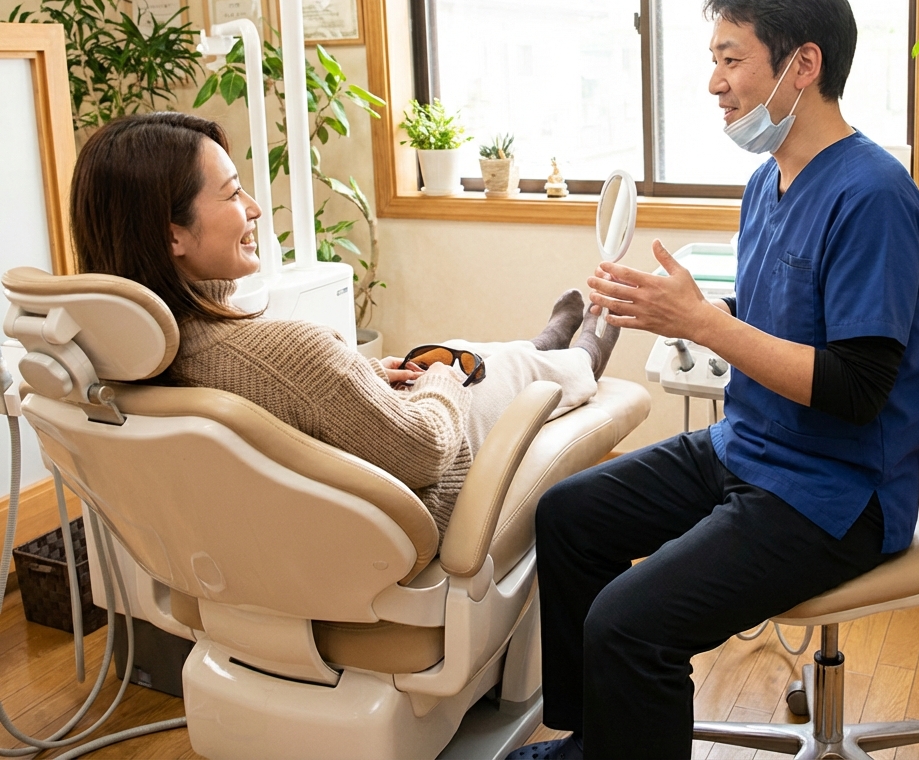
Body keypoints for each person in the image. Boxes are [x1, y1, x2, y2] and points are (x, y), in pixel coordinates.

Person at [514, 0, 919, 760]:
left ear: (802, 66)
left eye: (732, 58)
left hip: (837, 491)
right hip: (750, 447)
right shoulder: (765, 184)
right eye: (714, 59)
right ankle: (593, 743)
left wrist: (703, 323)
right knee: (567, 515)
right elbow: (781, 319)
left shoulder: (873, 197)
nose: (714, 82)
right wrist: (676, 309)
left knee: (630, 624)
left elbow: (856, 390)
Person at [68, 112, 619, 538]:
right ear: (172, 236)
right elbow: (424, 451)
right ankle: (584, 353)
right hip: (411, 515)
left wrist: (358, 378)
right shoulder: (285, 353)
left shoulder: (114, 363)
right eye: (234, 192)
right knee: (484, 367)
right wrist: (446, 378)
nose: (255, 208)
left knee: (449, 349)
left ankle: (544, 339)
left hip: (274, 548)